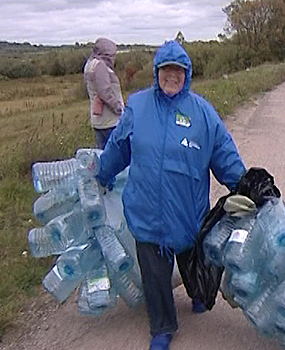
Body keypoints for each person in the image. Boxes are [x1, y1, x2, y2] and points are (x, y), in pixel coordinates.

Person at [96, 40, 246, 350]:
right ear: (157, 72)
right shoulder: (138, 107)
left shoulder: (203, 114)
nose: (172, 76)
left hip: (188, 213)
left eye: (178, 71)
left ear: (187, 74)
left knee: (192, 257)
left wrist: (245, 187)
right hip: (146, 212)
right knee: (155, 276)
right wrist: (103, 174)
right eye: (166, 70)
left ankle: (199, 295)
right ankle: (162, 327)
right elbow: (118, 147)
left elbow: (224, 155)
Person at [83, 37, 124, 149]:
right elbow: (104, 91)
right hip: (109, 120)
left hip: (100, 119)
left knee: (103, 153)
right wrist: (118, 108)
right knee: (113, 155)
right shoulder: (100, 66)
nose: (113, 57)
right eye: (112, 54)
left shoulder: (91, 63)